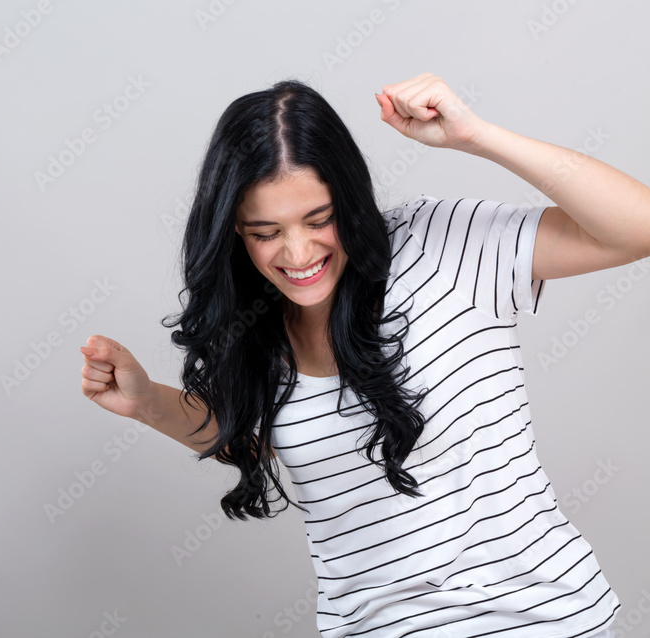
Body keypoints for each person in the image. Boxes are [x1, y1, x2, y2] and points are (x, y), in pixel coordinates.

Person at [78, 73, 645, 638]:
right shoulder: (256, 327)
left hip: (538, 622)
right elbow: (252, 438)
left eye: (319, 220)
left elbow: (636, 228)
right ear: (234, 232)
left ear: (349, 199)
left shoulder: (440, 246)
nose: (298, 253)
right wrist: (148, 402)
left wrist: (477, 136)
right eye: (265, 232)